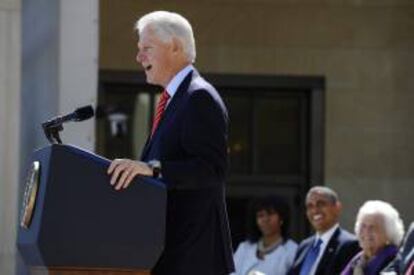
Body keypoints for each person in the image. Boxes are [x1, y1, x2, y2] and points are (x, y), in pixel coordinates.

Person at [107, 11, 234, 275]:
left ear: (175, 46)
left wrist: (152, 169)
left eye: (146, 48)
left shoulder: (199, 97)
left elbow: (211, 170)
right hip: (165, 255)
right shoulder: (174, 100)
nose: (139, 57)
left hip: (192, 259)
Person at [288, 186, 360, 275]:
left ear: (337, 207)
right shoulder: (304, 246)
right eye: (310, 206)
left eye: (321, 204)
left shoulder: (350, 245)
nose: (315, 210)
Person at [231, 196, 298, 275]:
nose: (265, 219)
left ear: (282, 219)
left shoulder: (293, 251)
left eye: (270, 214)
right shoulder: (244, 248)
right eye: (260, 215)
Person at [341, 200, 405, 275]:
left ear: (389, 233)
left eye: (373, 227)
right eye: (363, 226)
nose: (366, 231)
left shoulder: (395, 261)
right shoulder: (357, 261)